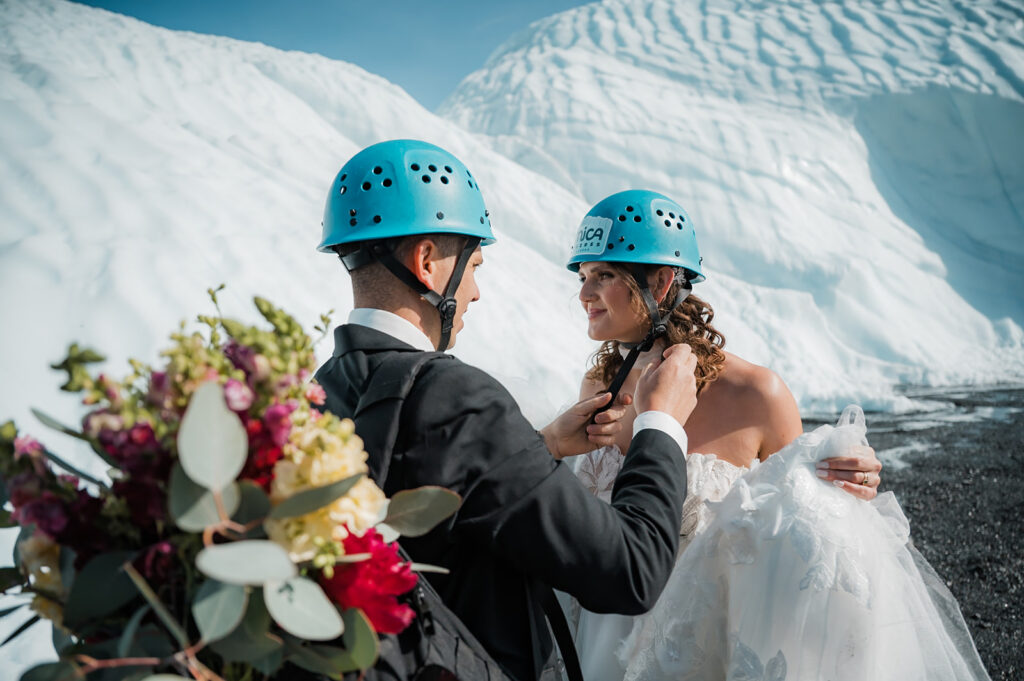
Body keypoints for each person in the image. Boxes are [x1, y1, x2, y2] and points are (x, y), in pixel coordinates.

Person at [563, 190, 991, 680]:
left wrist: (852, 485)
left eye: (604, 275)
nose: (584, 293)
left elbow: (808, 532)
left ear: (660, 282)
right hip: (601, 642)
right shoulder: (598, 386)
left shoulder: (757, 394)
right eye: (582, 276)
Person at [313, 140, 701, 681]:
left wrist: (541, 447)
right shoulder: (459, 397)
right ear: (428, 263)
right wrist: (661, 423)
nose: (475, 292)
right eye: (473, 265)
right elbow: (632, 570)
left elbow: (441, 501)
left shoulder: (321, 393)